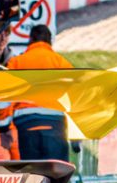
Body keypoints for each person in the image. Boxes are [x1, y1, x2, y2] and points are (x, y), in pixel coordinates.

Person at [7, 24, 74, 163]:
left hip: (25, 123)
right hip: (54, 124)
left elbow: (7, 97)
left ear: (30, 39)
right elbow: (73, 96)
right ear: (50, 41)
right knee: (56, 170)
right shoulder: (61, 63)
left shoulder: (16, 62)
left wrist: (5, 128)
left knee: (31, 170)